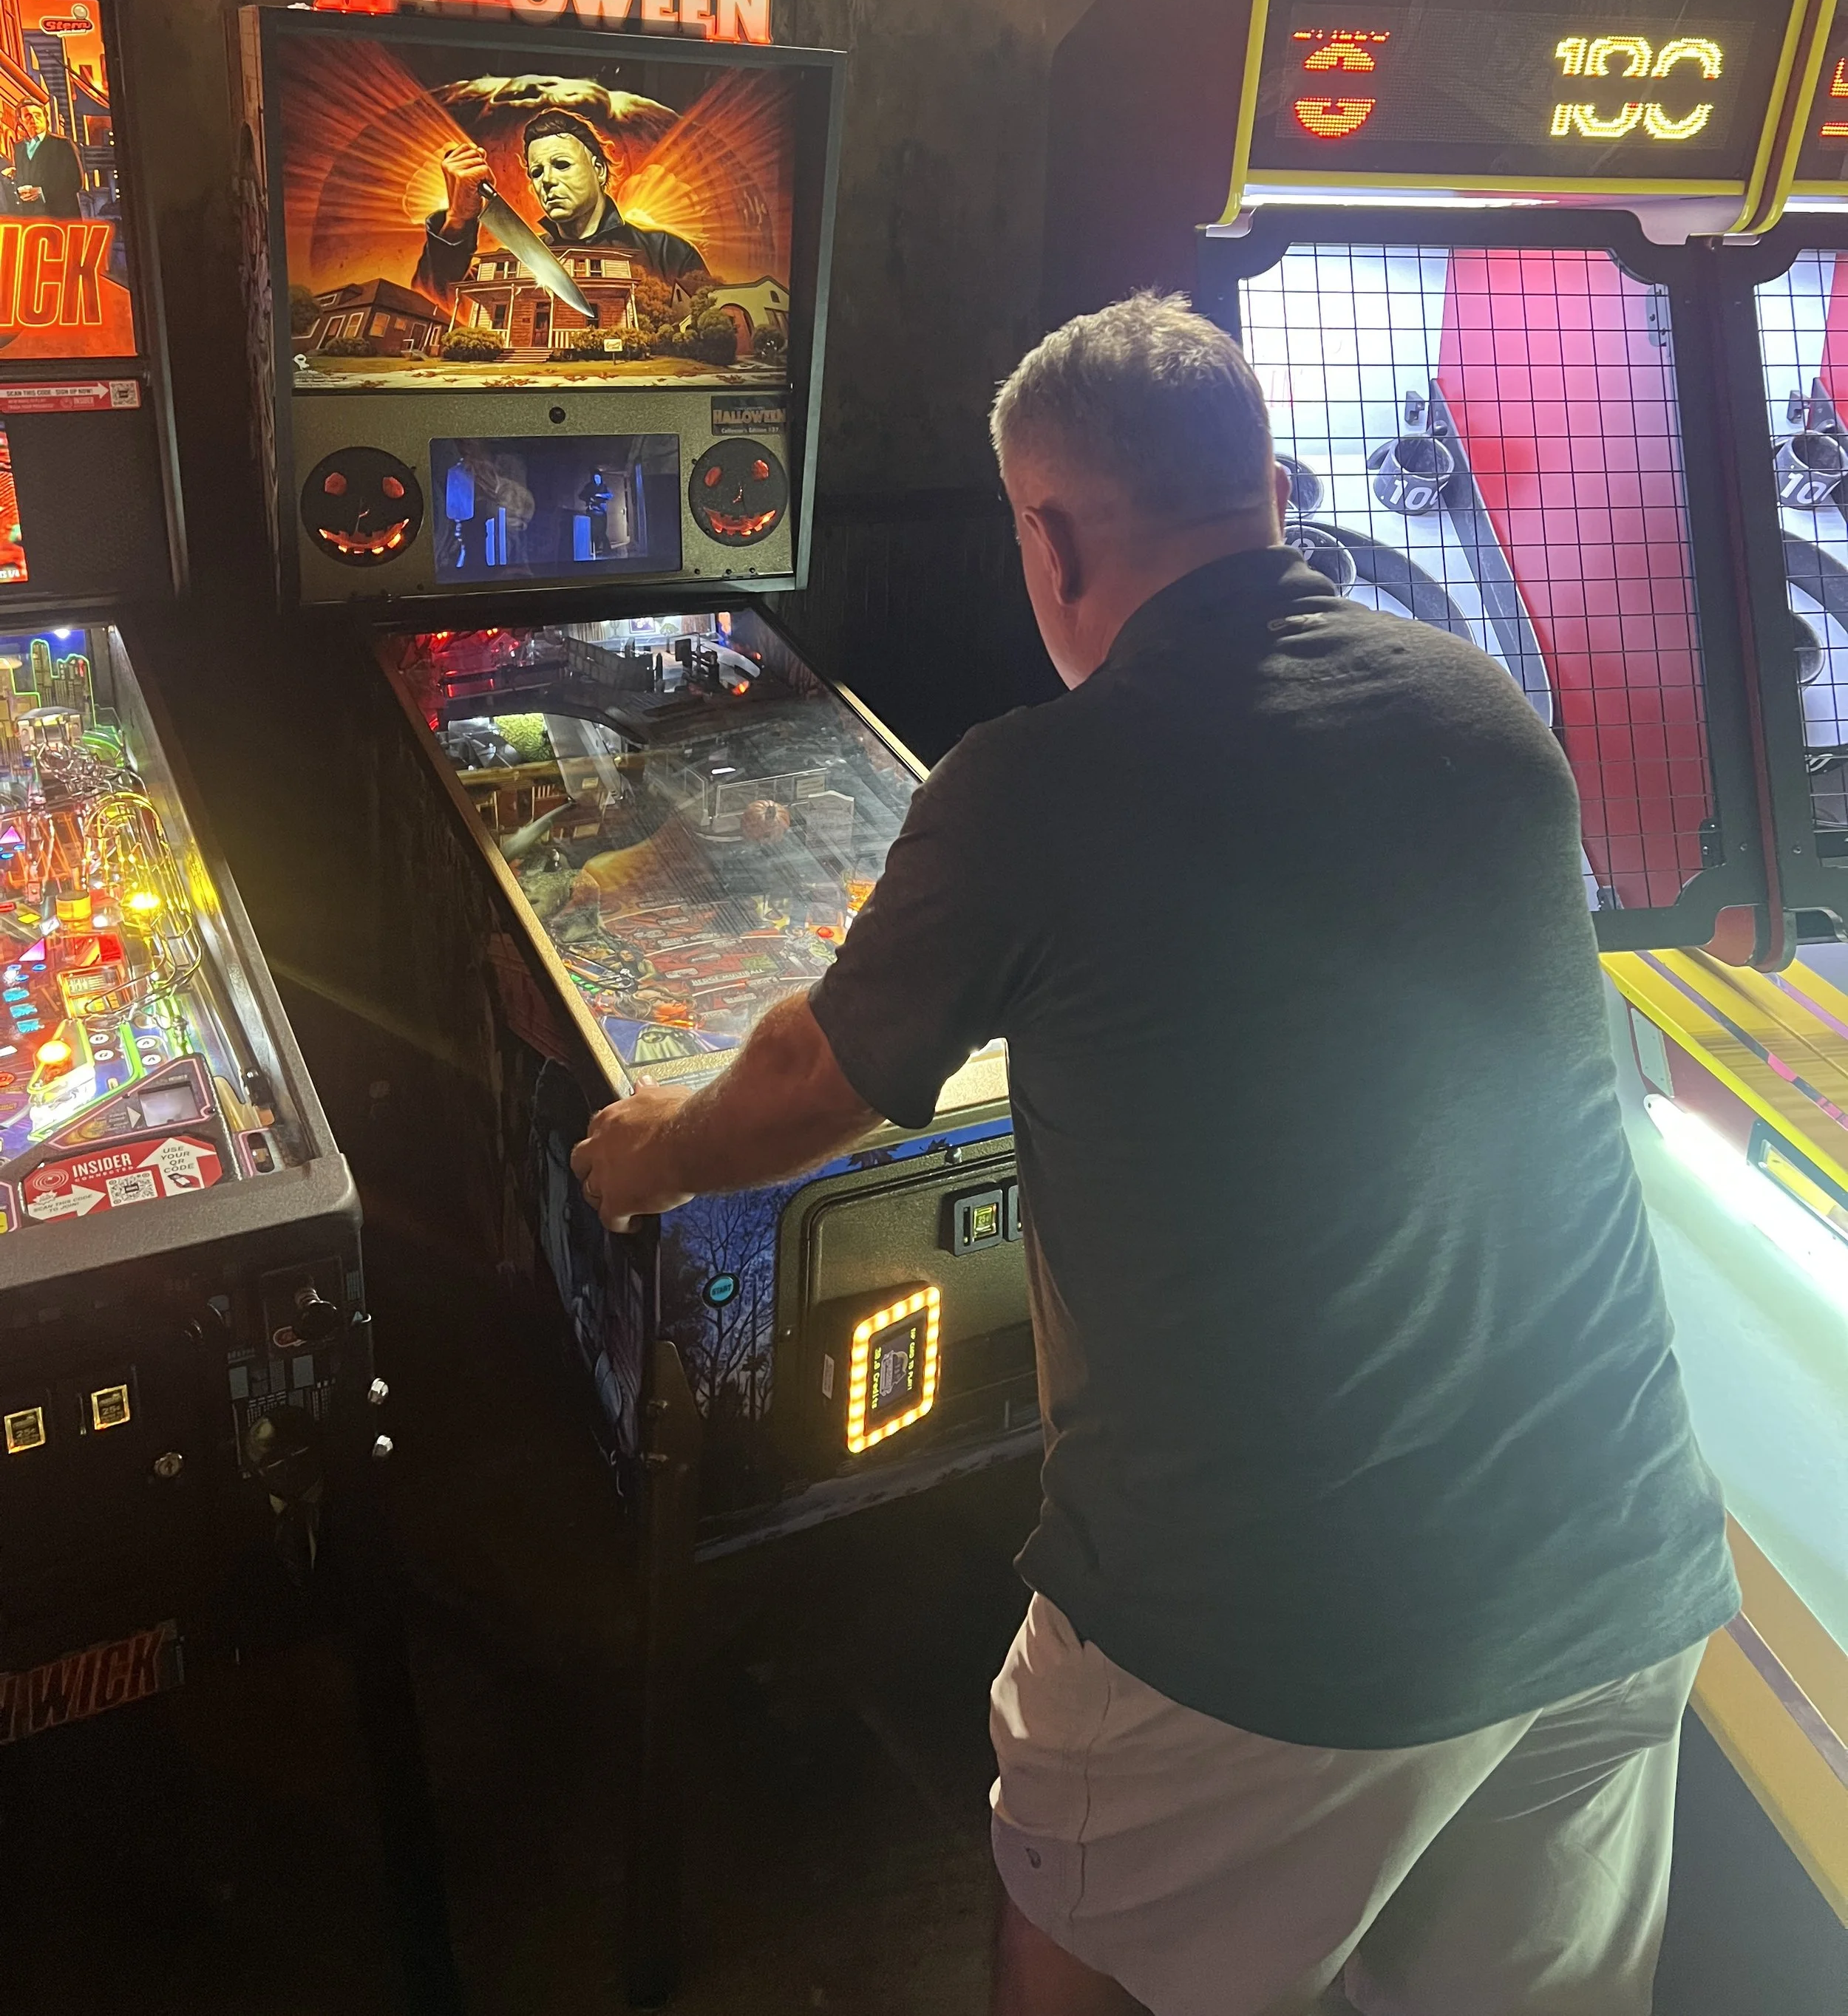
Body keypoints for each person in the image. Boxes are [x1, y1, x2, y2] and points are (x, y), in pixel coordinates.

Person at [571, 293, 1739, 2016]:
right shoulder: (1481, 708)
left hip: (1263, 1630)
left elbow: (811, 1079)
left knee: (1083, 1966)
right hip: (1617, 1565)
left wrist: (640, 1154)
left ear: (1045, 537)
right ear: (1270, 486)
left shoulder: (1034, 783)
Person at [413, 106, 704, 307]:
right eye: (537, 173)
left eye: (562, 165)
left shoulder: (670, 254)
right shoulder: (517, 260)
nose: (547, 181)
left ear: (599, 170)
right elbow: (436, 303)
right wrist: (457, 221)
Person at [10, 102, 83, 219]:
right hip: (31, 220)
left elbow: (75, 182)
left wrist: (42, 192)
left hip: (60, 218)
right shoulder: (19, 148)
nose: (34, 119)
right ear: (21, 121)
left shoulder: (63, 144)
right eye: (28, 116)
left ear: (45, 117)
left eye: (38, 115)